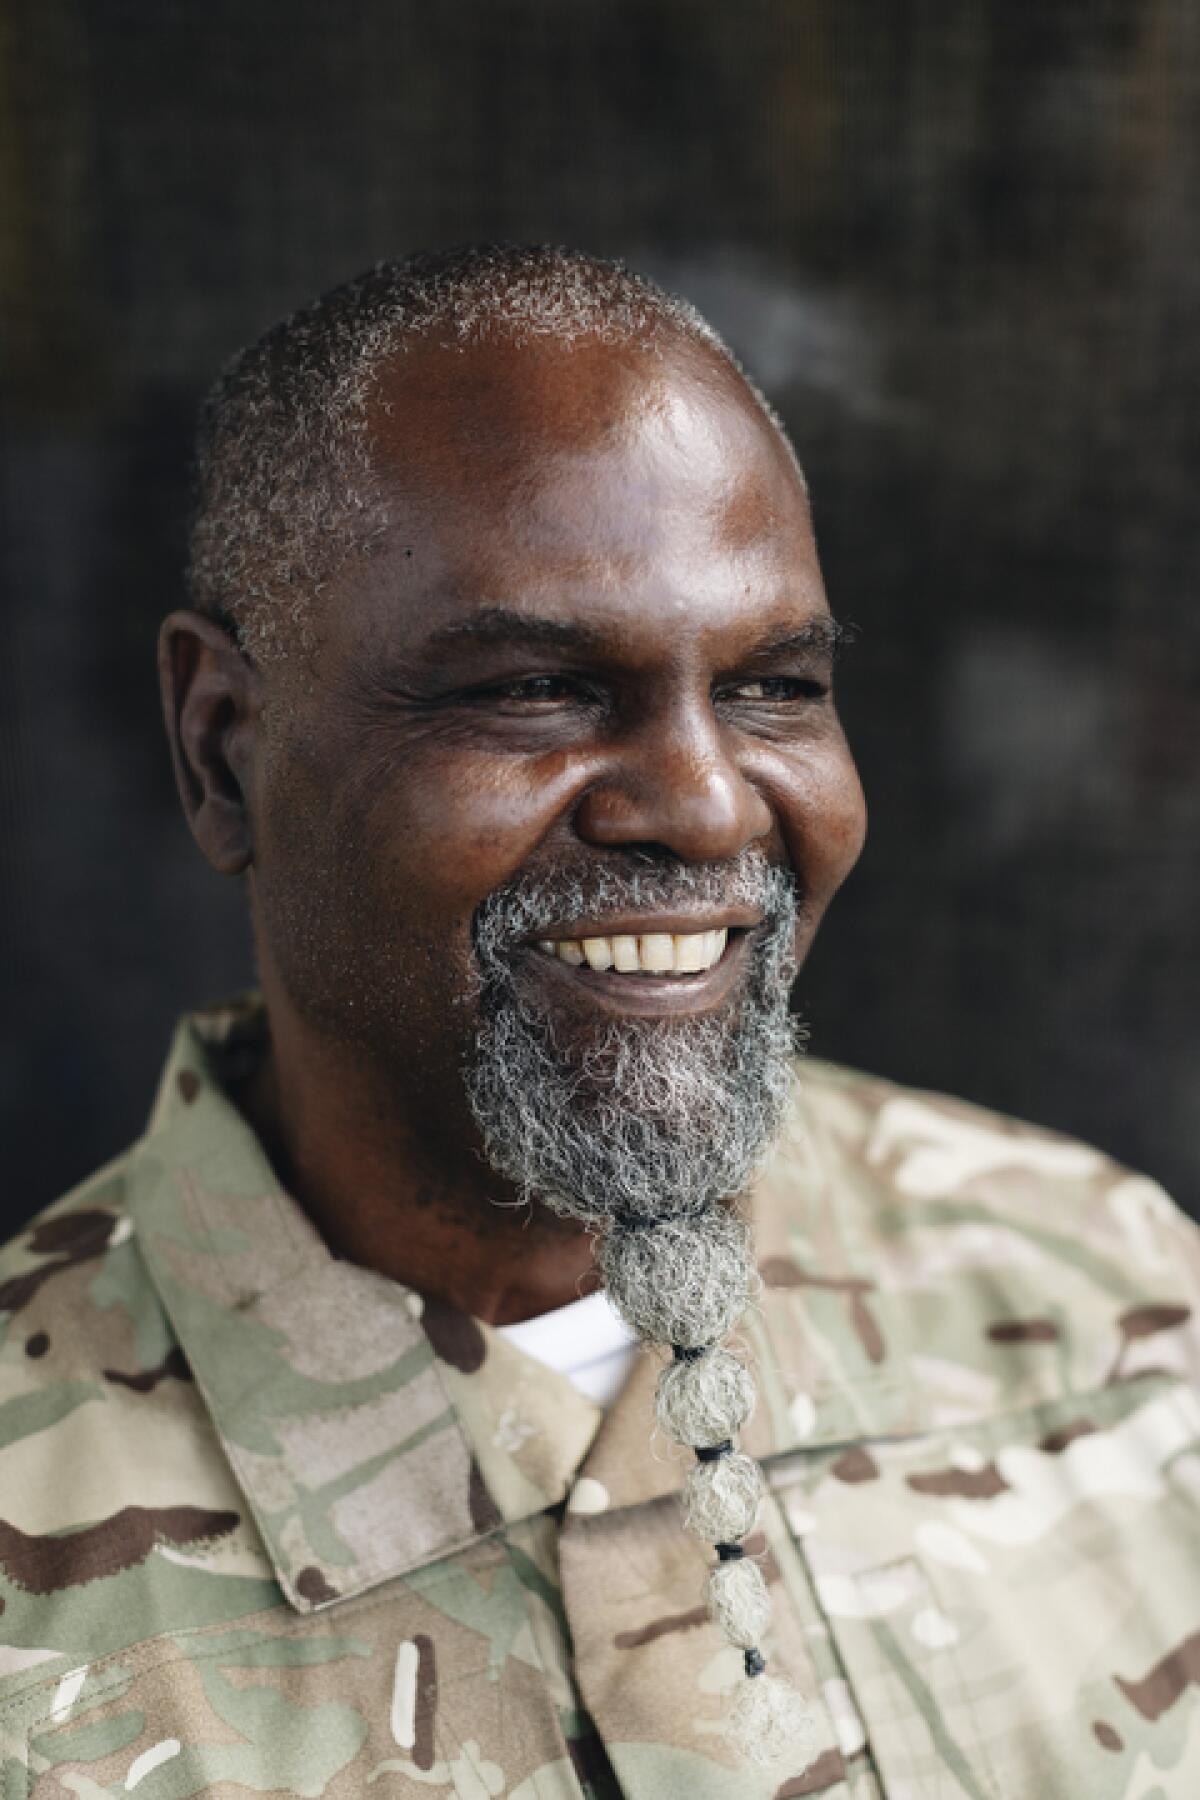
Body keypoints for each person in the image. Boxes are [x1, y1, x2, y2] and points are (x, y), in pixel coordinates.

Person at [2, 245, 1198, 1800]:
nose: (706, 807)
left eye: (775, 688)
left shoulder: (1113, 1304)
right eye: (540, 689)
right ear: (224, 749)